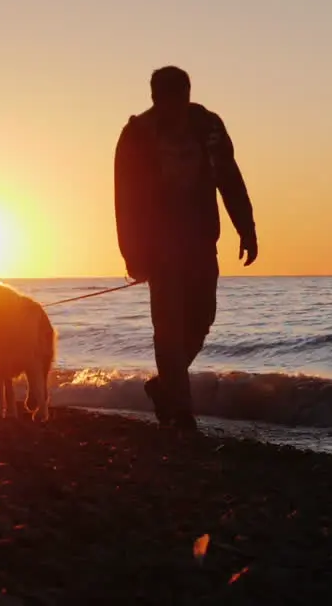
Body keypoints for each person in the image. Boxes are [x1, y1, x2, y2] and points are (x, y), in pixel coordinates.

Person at [114, 65, 258, 430]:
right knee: (168, 328)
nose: (174, 107)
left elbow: (230, 177)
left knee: (201, 320)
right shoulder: (136, 136)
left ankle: (164, 387)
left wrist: (247, 228)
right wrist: (132, 254)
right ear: (154, 99)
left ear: (188, 94)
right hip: (158, 247)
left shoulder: (209, 127)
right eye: (166, 100)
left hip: (200, 241)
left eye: (180, 98)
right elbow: (124, 200)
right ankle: (179, 411)